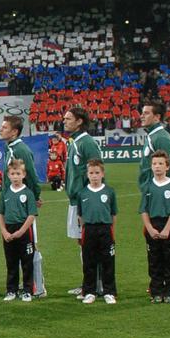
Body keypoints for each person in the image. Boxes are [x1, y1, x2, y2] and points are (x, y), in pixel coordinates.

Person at [0, 115, 45, 297]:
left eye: (4, 127)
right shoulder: (9, 147)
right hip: (11, 202)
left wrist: (34, 197)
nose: (1, 129)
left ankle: (37, 287)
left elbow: (32, 175)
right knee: (14, 252)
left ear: (14, 131)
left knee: (30, 245)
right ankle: (16, 287)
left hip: (24, 204)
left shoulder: (22, 149)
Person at [63, 107, 101, 297]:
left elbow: (97, 173)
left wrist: (90, 201)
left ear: (79, 121)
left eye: (68, 118)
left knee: (90, 242)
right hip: (75, 200)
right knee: (82, 241)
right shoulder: (74, 142)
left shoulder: (87, 143)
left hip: (84, 201)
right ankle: (89, 282)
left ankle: (96, 284)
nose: (64, 121)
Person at [140, 151, 170, 304]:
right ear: (151, 166)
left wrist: (166, 229)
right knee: (154, 260)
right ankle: (156, 292)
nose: (157, 167)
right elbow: (143, 210)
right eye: (154, 164)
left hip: (169, 226)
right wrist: (149, 228)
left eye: (160, 164)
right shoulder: (148, 186)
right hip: (152, 225)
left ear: (167, 167)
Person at [77, 159, 117, 305]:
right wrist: (84, 228)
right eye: (91, 173)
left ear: (102, 174)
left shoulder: (109, 192)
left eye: (97, 173)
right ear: (87, 174)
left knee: (108, 262)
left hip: (106, 229)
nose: (94, 176)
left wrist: (112, 230)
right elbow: (80, 215)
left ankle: (109, 292)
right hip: (89, 230)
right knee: (89, 262)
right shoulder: (83, 193)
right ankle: (89, 291)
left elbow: (113, 214)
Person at [0, 160, 37, 302]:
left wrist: (21, 231)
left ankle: (27, 290)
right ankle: (11, 290)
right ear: (8, 175)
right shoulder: (5, 193)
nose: (15, 176)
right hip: (9, 229)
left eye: (18, 173)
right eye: (12, 174)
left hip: (24, 230)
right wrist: (4, 231)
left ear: (23, 174)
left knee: (27, 262)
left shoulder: (28, 193)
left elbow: (31, 215)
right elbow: (0, 213)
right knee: (11, 262)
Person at [138, 101, 170, 207]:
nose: (141, 116)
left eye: (146, 113)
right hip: (152, 191)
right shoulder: (153, 135)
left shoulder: (160, 138)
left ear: (157, 117)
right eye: (142, 113)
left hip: (161, 193)